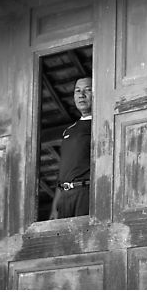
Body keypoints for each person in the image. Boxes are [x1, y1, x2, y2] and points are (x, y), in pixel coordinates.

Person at [49, 77, 92, 220]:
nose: (82, 95)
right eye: (77, 91)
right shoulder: (69, 130)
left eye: (88, 90)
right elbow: (63, 172)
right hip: (65, 197)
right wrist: (55, 207)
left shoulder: (100, 123)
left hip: (86, 194)